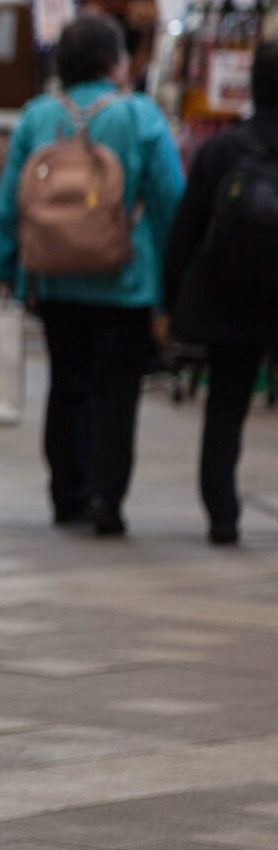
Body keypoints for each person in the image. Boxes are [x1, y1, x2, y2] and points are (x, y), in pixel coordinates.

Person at [0, 13, 185, 537]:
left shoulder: (36, 117)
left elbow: (10, 202)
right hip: (125, 277)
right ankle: (107, 497)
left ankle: (66, 493)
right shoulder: (141, 116)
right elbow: (170, 198)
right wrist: (175, 272)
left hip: (54, 279)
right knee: (116, 390)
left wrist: (3, 268)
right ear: (111, 61)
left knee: (66, 383)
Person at [163, 40, 278, 546]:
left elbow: (185, 231)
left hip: (230, 298)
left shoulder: (221, 150)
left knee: (225, 407)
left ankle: (223, 516)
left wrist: (171, 303)